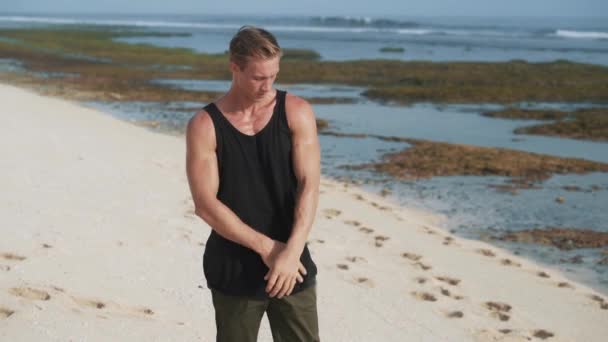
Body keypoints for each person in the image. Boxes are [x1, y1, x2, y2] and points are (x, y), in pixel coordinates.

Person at [185, 25, 320, 342]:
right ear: (235, 67)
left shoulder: (296, 112)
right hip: (233, 266)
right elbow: (205, 205)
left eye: (273, 76)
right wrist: (269, 250)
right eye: (259, 77)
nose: (267, 85)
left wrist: (291, 253)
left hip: (293, 262)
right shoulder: (205, 125)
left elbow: (309, 185)